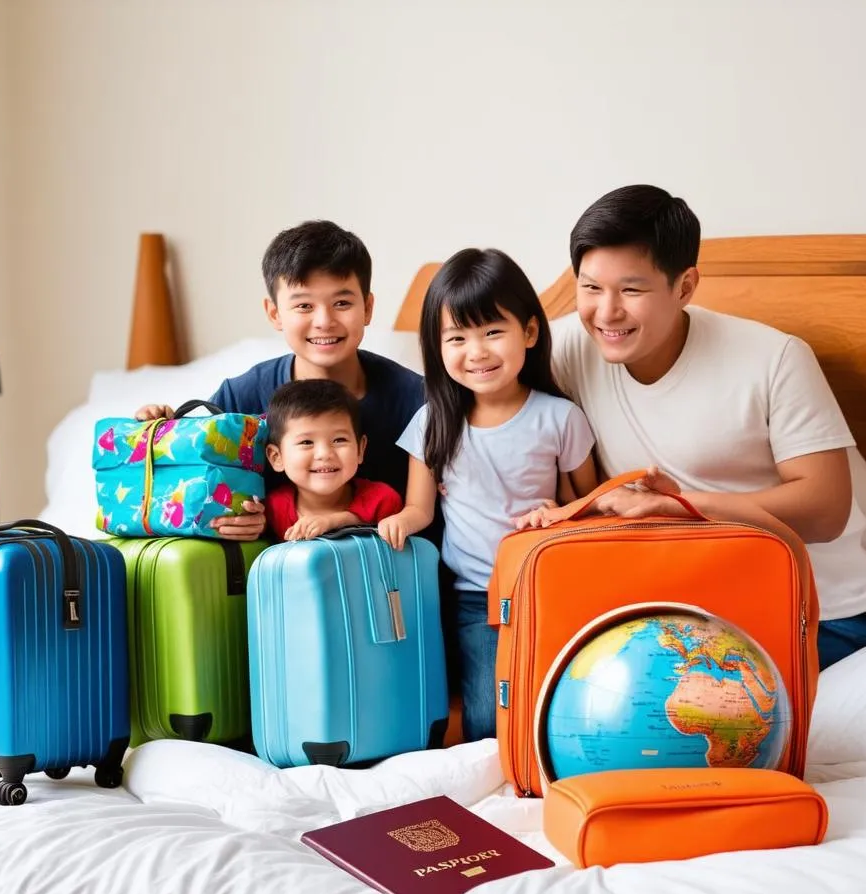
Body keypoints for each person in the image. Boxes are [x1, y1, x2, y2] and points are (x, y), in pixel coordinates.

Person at [551, 184, 866, 669]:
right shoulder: (570, 348)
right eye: (590, 288)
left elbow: (826, 509)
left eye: (631, 289)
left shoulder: (774, 359)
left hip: (814, 613)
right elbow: (468, 384)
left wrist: (684, 509)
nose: (606, 312)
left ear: (685, 286)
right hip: (676, 617)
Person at [378, 248, 597, 741]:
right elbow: (419, 508)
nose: (476, 352)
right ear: (438, 348)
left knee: (554, 707)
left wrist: (559, 513)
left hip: (545, 589)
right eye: (457, 338)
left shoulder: (559, 418)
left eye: (492, 332)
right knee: (485, 722)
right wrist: (399, 523)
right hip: (473, 599)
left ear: (530, 333)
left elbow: (595, 504)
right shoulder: (433, 422)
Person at [135, 219, 425, 541]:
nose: (324, 321)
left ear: (368, 308)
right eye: (303, 306)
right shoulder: (241, 398)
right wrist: (158, 430)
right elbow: (187, 482)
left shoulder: (416, 401)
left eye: (342, 303)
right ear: (274, 313)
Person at [262, 379, 402, 540]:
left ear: (360, 449)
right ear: (276, 457)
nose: (324, 453)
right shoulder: (272, 509)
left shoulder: (382, 500)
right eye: (306, 442)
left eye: (339, 440)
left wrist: (335, 521)